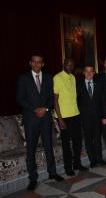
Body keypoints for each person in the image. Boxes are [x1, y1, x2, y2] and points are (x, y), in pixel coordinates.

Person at [17, 55, 64, 191]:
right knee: (30, 149)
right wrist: (34, 109)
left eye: (39, 62)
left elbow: (51, 98)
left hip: (45, 118)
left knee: (48, 146)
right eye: (34, 62)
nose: (37, 64)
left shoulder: (49, 78)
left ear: (43, 64)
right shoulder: (23, 78)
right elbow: (20, 98)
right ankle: (33, 178)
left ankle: (52, 172)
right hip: (31, 119)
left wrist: (46, 108)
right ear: (30, 63)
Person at [53, 58, 87, 176]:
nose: (70, 66)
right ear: (64, 64)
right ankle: (68, 168)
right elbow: (55, 101)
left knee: (77, 142)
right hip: (64, 117)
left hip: (75, 114)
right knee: (66, 144)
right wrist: (60, 119)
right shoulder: (57, 78)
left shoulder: (73, 77)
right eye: (68, 64)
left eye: (72, 65)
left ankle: (77, 163)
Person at [77, 64, 106, 168]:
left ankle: (99, 158)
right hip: (85, 118)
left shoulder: (98, 84)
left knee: (98, 139)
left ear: (94, 73)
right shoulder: (79, 85)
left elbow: (103, 101)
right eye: (87, 71)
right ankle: (92, 160)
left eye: (91, 71)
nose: (89, 73)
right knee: (88, 140)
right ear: (84, 73)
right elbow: (77, 102)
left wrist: (104, 116)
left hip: (97, 117)